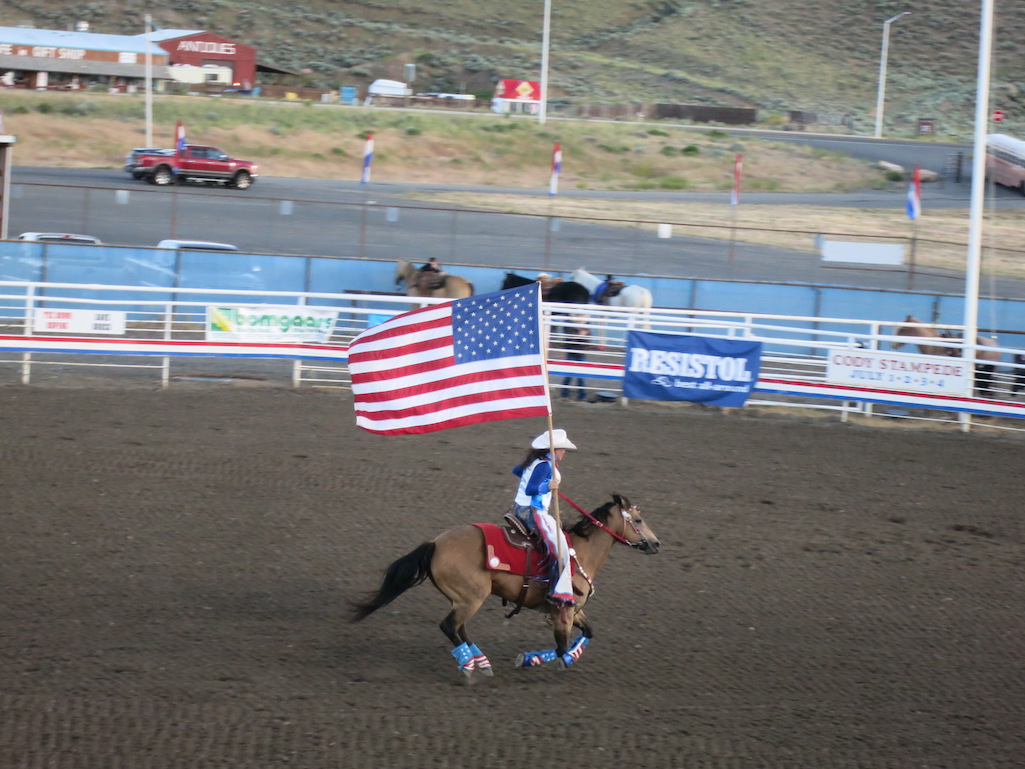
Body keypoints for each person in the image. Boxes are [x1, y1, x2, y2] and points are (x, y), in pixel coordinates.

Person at [510, 428, 577, 607]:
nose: (564, 452)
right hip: (532, 511)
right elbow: (530, 490)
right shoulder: (545, 465)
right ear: (554, 449)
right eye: (562, 448)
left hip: (519, 508)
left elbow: (516, 471)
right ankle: (557, 591)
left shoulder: (536, 461)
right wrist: (547, 487)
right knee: (561, 549)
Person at [560, 315, 591, 401]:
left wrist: (578, 337)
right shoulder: (570, 325)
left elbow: (587, 340)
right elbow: (570, 339)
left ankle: (577, 395)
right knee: (570, 375)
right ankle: (566, 394)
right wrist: (580, 336)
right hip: (575, 352)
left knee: (579, 377)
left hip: (579, 352)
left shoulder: (585, 325)